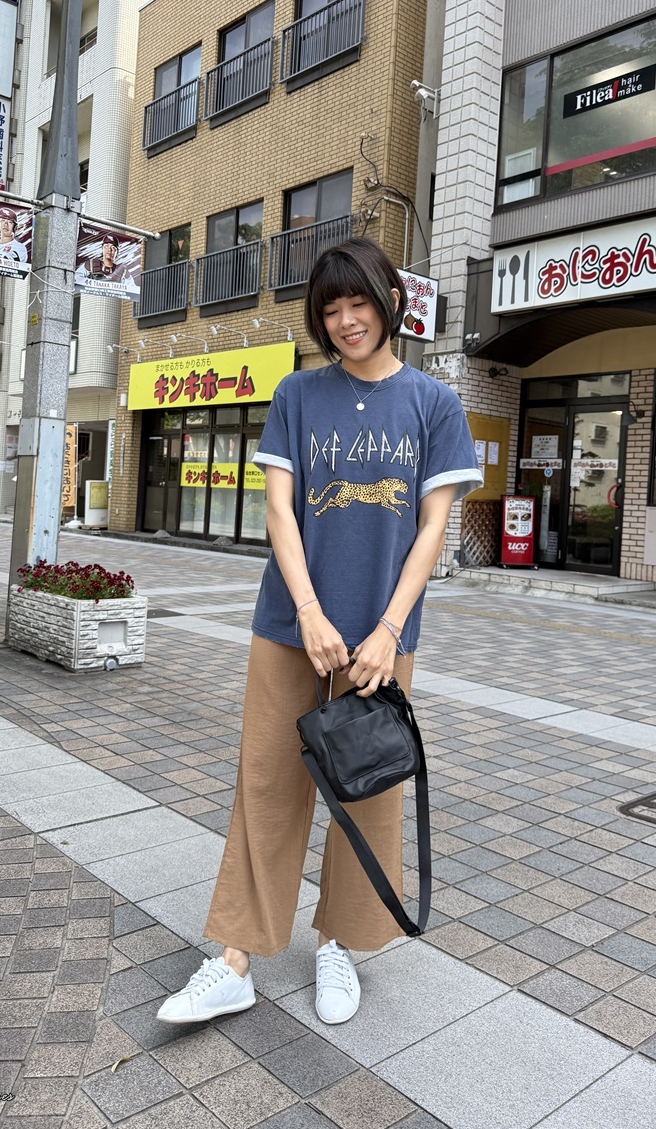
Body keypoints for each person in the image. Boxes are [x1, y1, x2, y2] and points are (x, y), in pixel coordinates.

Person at [156, 237, 482, 1029]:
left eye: (358, 302)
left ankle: (338, 942)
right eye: (331, 308)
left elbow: (433, 527)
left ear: (390, 301)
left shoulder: (434, 404)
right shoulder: (297, 394)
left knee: (367, 792)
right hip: (288, 626)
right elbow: (279, 509)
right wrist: (307, 611)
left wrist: (389, 628)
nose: (345, 320)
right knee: (266, 784)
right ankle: (235, 959)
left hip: (380, 638)